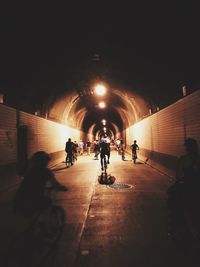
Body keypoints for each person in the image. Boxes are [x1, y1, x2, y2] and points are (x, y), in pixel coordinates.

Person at [14, 151, 67, 216]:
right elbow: (55, 183)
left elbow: (23, 176)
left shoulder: (30, 170)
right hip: (33, 199)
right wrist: (61, 187)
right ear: (45, 161)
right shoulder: (46, 171)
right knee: (48, 202)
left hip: (19, 198)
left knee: (31, 216)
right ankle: (47, 224)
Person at [167, 138, 200, 240]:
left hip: (185, 188)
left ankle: (174, 229)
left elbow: (179, 175)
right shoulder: (198, 158)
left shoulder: (184, 159)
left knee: (174, 203)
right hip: (196, 188)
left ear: (187, 148)